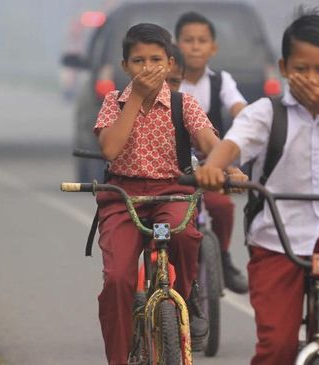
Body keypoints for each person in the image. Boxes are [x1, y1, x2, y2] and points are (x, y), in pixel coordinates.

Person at [194, 8, 319, 365]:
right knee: (276, 348)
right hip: (277, 234)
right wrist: (212, 167)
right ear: (284, 68)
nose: (310, 79)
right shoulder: (268, 112)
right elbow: (234, 143)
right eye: (300, 69)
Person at [92, 23, 243, 365]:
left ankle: (187, 294)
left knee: (186, 237)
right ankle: (117, 357)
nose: (147, 68)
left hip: (170, 194)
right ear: (125, 67)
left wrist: (228, 168)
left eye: (155, 60)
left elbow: (209, 143)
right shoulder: (113, 102)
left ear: (171, 64)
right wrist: (134, 100)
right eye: (138, 61)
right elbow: (111, 149)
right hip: (122, 198)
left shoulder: (183, 104)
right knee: (117, 280)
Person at [175, 11, 249, 294]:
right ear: (176, 44)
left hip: (210, 166)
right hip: (176, 167)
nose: (195, 46)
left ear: (212, 47)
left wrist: (251, 122)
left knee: (222, 207)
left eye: (202, 41)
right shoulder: (171, 81)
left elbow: (239, 110)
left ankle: (223, 256)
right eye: (188, 40)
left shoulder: (221, 82)